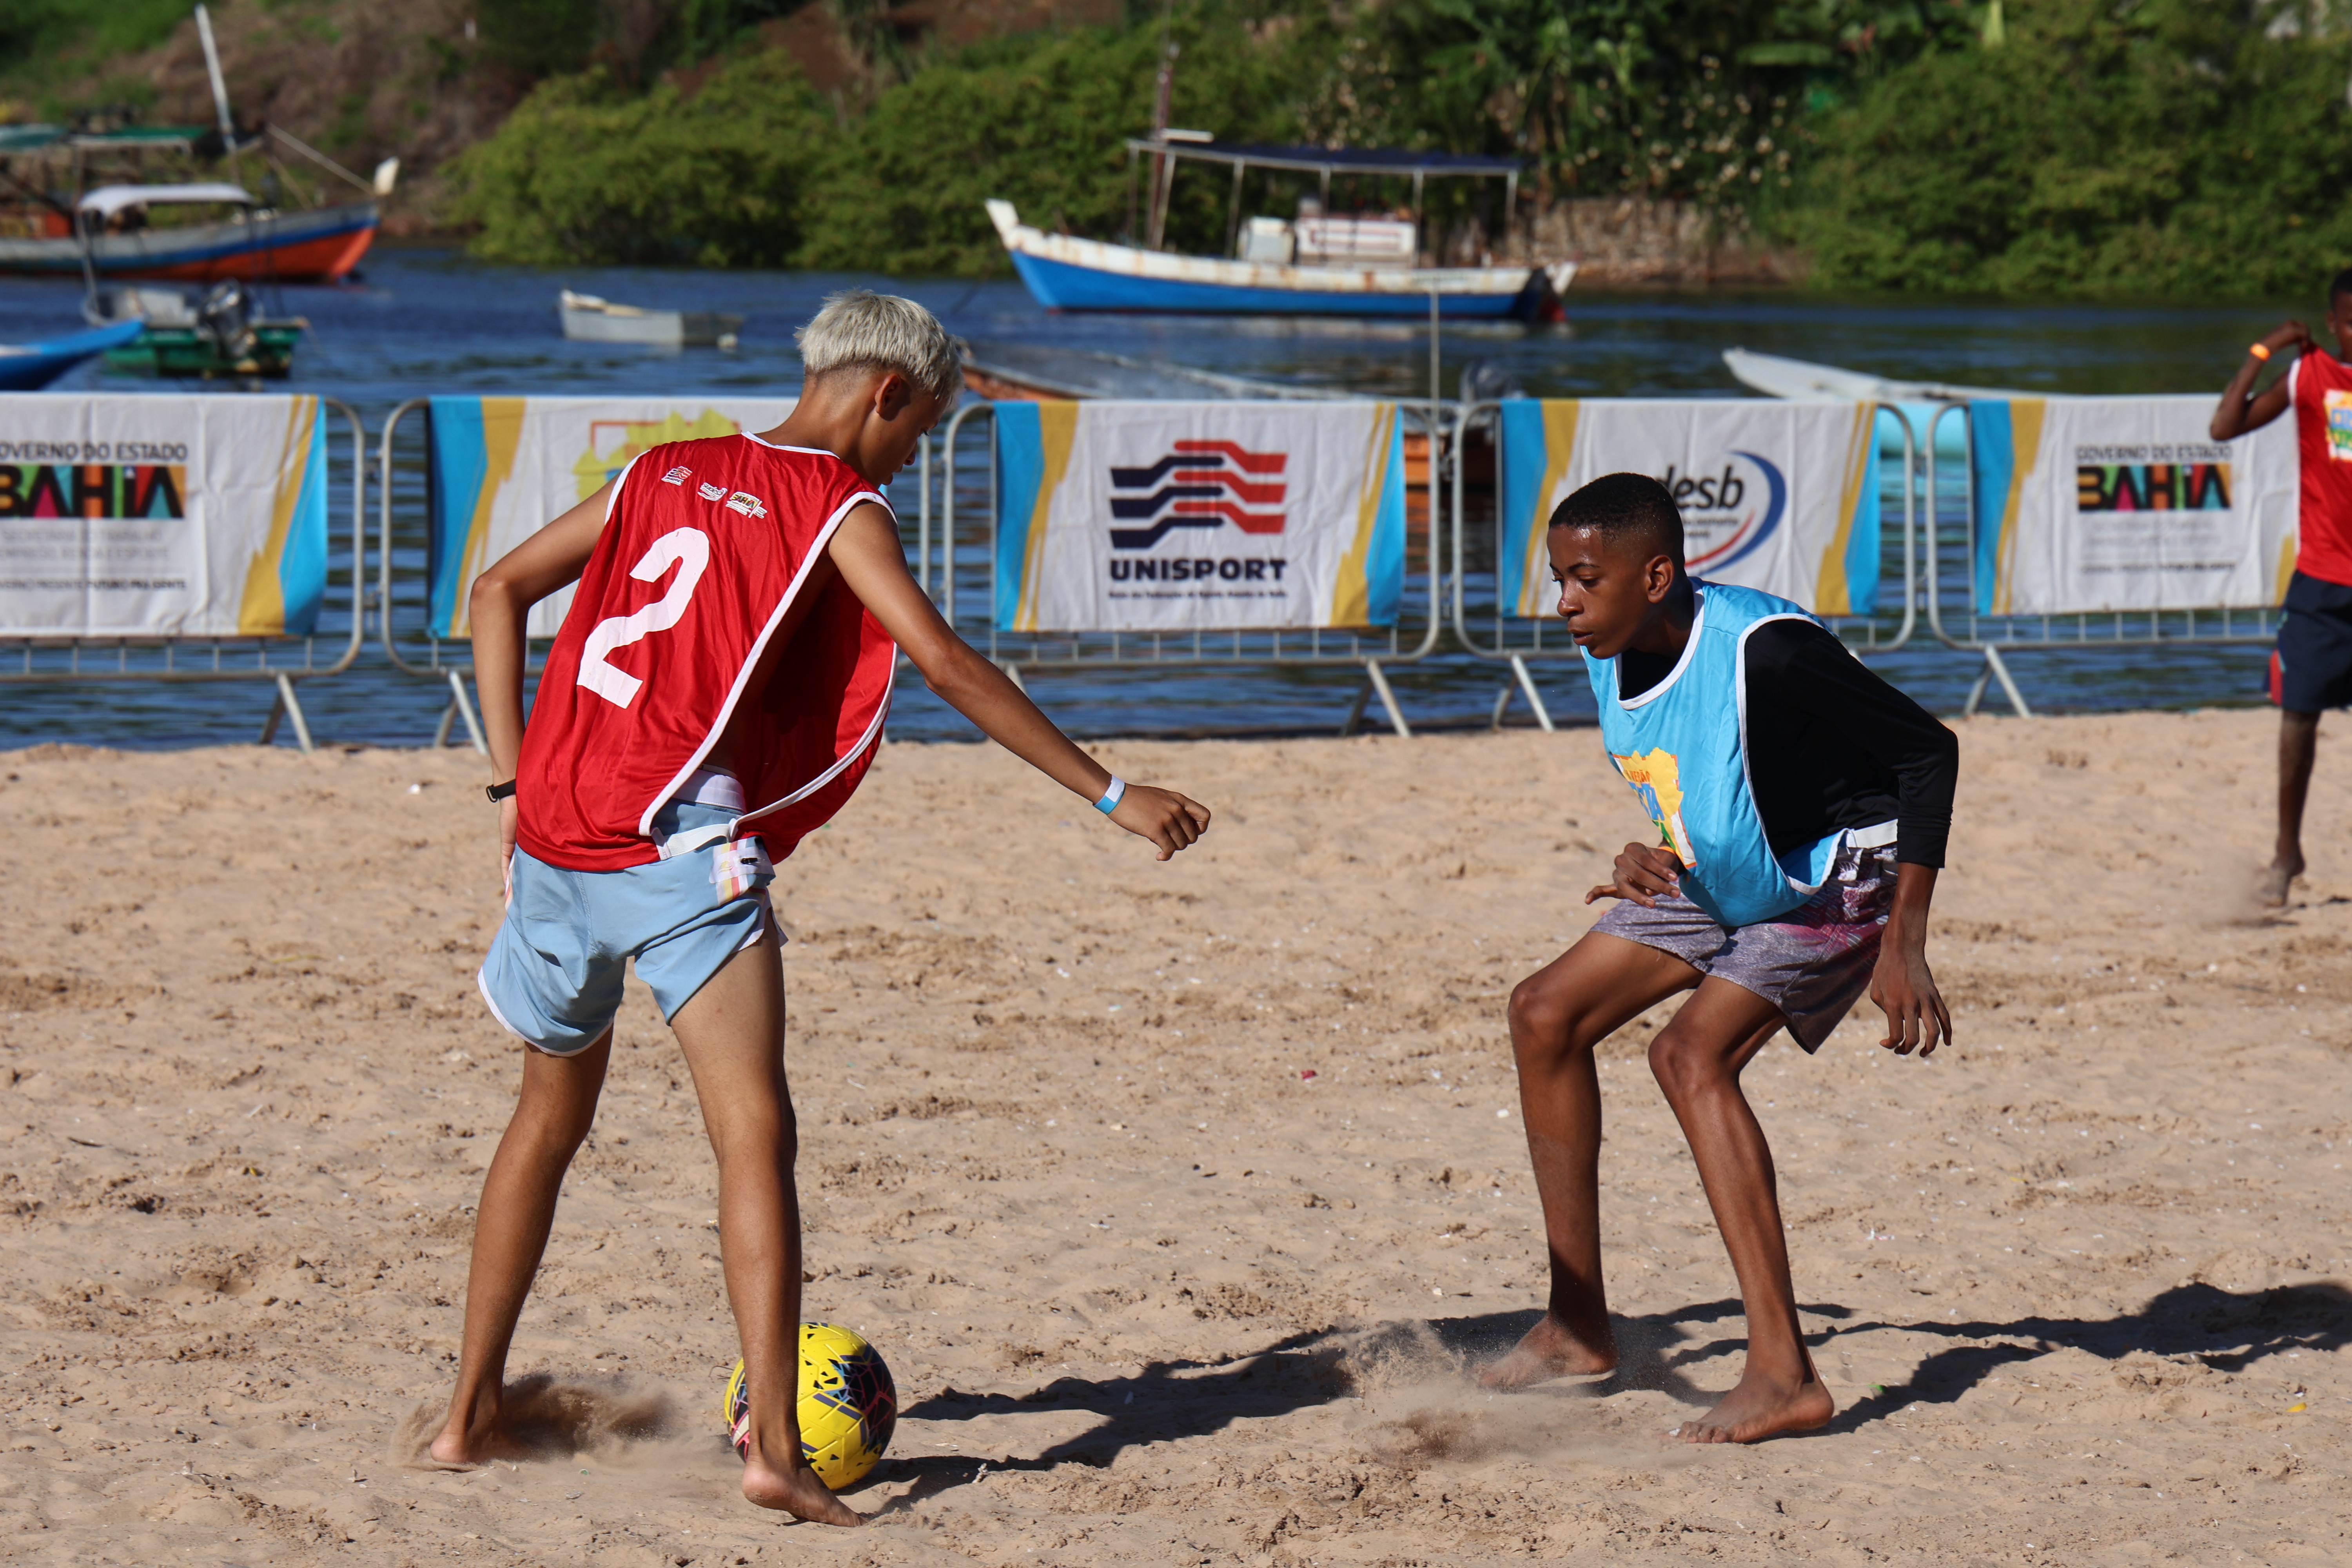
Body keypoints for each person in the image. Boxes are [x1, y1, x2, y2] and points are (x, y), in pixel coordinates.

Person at [425, 290, 1211, 1523]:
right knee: (755, 1138)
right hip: (681, 848)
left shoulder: (659, 469)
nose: (917, 455)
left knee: (543, 1123)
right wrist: (1111, 792)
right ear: (886, 394)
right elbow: (946, 663)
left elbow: (492, 590)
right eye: (927, 431)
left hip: (556, 842)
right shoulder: (840, 505)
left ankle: (465, 1420)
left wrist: (515, 771)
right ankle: (776, 1458)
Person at [1480, 472, 1958, 1445]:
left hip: (1838, 872)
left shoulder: (1768, 649)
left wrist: (1903, 939)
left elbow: (1928, 754)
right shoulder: (1607, 644)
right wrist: (1641, 847)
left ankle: (1784, 1373)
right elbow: (1703, 767)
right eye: (1559, 579)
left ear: (1655, 575)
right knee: (1543, 1012)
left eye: (1583, 579)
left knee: (1687, 1057)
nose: (1563, 601)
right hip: (1728, 867)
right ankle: (1577, 1325)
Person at [2209, 273, 2352, 906]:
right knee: (2299, 716)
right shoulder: (2309, 376)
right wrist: (2263, 352)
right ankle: (2286, 854)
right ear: (2332, 323)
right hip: (2323, 580)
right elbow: (2223, 426)